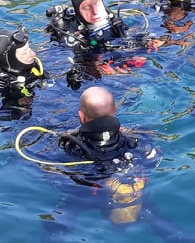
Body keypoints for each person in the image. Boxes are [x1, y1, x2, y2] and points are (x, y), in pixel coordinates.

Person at [58, 86, 159, 224]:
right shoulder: (137, 139)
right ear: (115, 109)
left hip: (89, 194)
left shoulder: (71, 146)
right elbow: (153, 157)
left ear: (81, 116)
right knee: (156, 217)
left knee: (60, 220)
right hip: (132, 191)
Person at [0, 25, 47, 118]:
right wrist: (13, 105)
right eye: (25, 52)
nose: (33, 54)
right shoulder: (2, 85)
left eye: (29, 48)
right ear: (10, 59)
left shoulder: (33, 68)